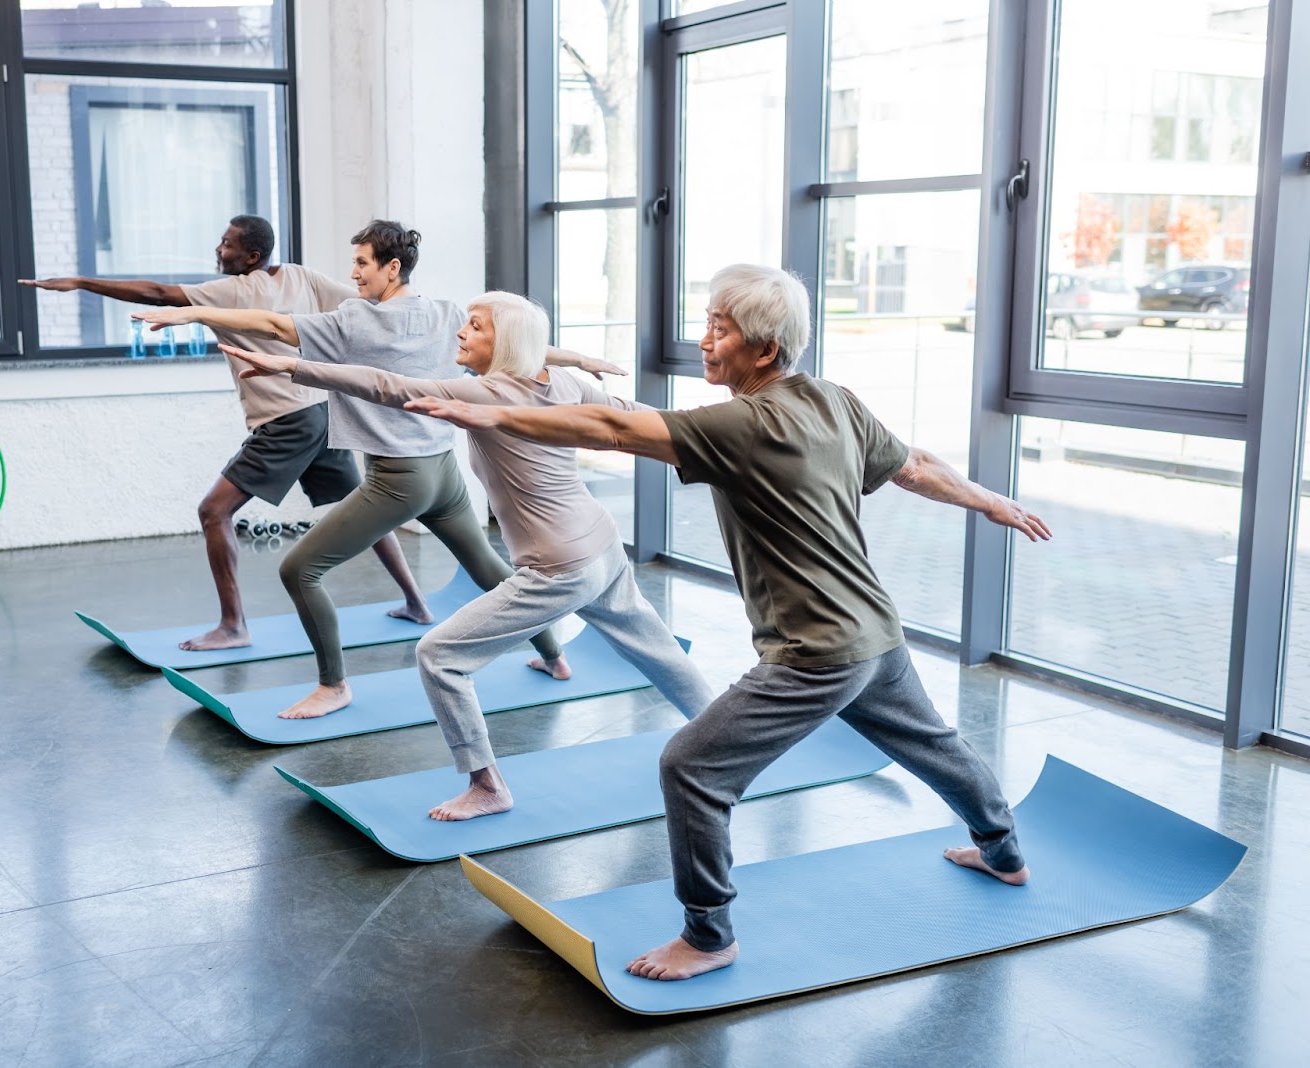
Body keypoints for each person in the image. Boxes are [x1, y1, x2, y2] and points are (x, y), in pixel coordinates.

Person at [405, 263, 1053, 982]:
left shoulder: (742, 423)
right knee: (934, 745)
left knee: (691, 769)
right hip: (873, 631)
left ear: (764, 351)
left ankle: (709, 937)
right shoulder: (833, 400)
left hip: (814, 652)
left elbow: (612, 426)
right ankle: (1004, 853)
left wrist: (494, 413)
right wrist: (989, 500)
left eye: (719, 328)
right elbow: (915, 465)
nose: (705, 341)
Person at [226, 291, 717, 819]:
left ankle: (487, 786)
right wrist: (726, 429)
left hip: (556, 566)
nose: (462, 332)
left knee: (439, 656)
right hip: (601, 544)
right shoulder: (567, 383)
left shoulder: (486, 394)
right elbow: (639, 414)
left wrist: (292, 366)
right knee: (655, 648)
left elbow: (388, 385)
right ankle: (724, 743)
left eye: (476, 326)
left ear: (503, 342)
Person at [134, 221, 618, 718]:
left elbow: (276, 325)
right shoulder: (448, 313)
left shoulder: (354, 321)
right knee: (489, 571)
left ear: (392, 267)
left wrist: (189, 312)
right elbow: (518, 353)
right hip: (444, 478)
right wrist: (580, 359)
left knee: (299, 570)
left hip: (397, 483)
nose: (354, 273)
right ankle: (555, 657)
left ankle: (333, 686)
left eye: (362, 263)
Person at [20, 215, 432, 651]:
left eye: (227, 244)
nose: (219, 250)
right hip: (322, 410)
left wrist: (82, 282)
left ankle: (233, 626)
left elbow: (158, 294)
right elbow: (369, 305)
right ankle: (416, 602)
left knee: (213, 512)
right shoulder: (301, 276)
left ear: (252, 256)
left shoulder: (232, 291)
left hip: (288, 421)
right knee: (361, 509)